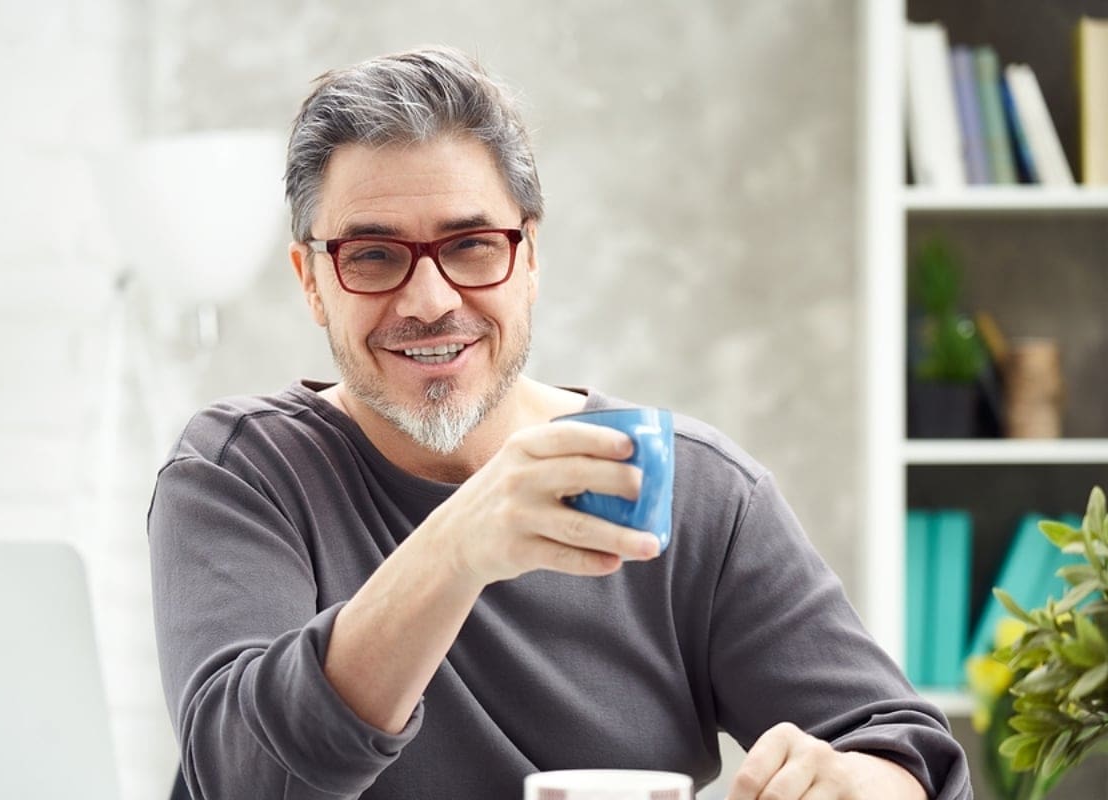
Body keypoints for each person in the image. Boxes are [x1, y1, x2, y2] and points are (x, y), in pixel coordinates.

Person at [147, 46, 972, 800]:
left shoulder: (690, 489)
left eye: (471, 245)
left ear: (530, 257)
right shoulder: (239, 474)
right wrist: (459, 545)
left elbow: (905, 757)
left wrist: (856, 784)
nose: (430, 301)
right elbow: (240, 776)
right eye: (372, 256)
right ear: (311, 280)